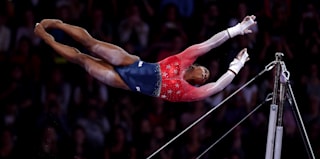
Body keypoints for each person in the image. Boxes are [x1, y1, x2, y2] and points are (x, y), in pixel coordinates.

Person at [34, 15, 256, 102]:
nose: (206, 76)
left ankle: (46, 39)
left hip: (122, 81)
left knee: (82, 60)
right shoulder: (184, 59)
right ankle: (58, 25)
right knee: (91, 44)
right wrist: (237, 29)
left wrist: (235, 68)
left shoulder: (186, 92)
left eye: (205, 77)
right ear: (195, 67)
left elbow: (217, 87)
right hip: (130, 62)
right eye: (205, 71)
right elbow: (210, 43)